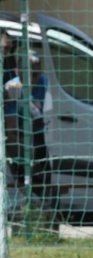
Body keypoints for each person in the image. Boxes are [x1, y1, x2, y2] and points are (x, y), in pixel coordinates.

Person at [4, 50, 50, 202]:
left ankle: (41, 200)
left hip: (41, 137)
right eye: (28, 72)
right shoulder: (12, 88)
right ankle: (27, 197)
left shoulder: (45, 82)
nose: (32, 77)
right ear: (18, 71)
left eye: (36, 73)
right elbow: (10, 124)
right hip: (20, 140)